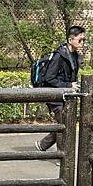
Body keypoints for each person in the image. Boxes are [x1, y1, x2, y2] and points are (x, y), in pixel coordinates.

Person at [35, 25, 85, 154]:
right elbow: (49, 78)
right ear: (70, 40)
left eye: (83, 40)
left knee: (64, 123)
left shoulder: (74, 55)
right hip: (55, 95)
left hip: (66, 95)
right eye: (80, 40)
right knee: (64, 124)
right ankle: (62, 155)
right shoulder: (59, 56)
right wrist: (69, 85)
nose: (82, 43)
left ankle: (43, 145)